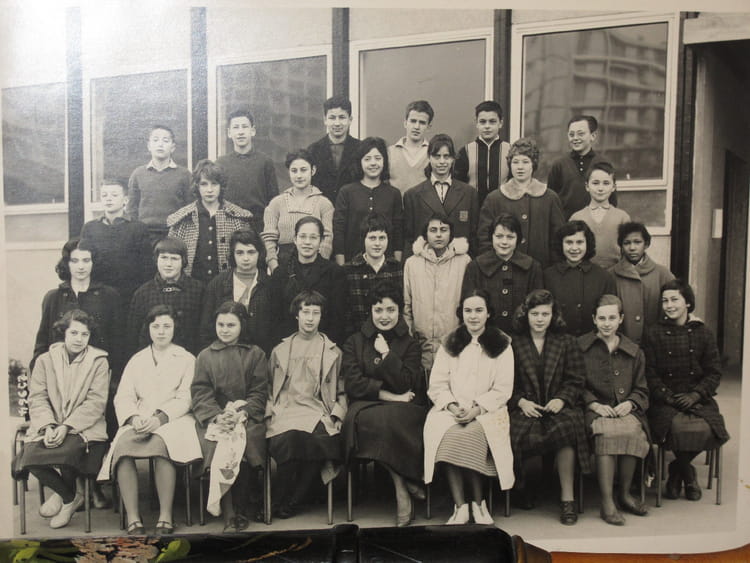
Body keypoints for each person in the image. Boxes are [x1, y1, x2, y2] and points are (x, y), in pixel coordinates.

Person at [97, 305, 201, 536]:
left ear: (175, 329)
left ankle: (165, 514)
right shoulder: (137, 359)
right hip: (140, 418)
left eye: (166, 326)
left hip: (174, 420)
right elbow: (123, 396)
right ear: (148, 329)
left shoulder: (186, 358)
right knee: (123, 450)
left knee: (162, 447)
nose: (161, 331)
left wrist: (160, 418)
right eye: (156, 326)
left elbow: (187, 398)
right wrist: (133, 417)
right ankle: (134, 516)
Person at [423, 289, 514, 525]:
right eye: (468, 311)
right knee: (449, 436)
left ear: (488, 313)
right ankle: (460, 506)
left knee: (471, 436)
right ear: (461, 313)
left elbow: (503, 389)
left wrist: (476, 409)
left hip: (487, 411)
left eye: (479, 310)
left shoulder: (502, 344)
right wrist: (453, 407)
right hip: (450, 411)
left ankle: (479, 503)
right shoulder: (450, 342)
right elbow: (437, 385)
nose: (473, 316)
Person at [342, 283, 426, 526]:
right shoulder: (355, 342)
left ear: (399, 310)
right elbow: (354, 384)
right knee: (376, 422)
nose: (384, 316)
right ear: (370, 311)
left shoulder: (410, 343)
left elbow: (407, 383)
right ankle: (403, 484)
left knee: (391, 421)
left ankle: (403, 484)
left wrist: (387, 355)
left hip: (405, 409)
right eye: (378, 310)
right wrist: (392, 397)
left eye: (391, 310)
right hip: (366, 408)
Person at [16, 310, 109, 530]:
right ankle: (69, 497)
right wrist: (48, 425)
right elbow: (37, 398)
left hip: (83, 426)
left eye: (85, 334)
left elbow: (96, 402)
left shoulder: (98, 361)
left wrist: (67, 426)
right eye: (74, 333)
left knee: (68, 454)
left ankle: (64, 500)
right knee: (29, 459)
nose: (79, 339)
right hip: (49, 423)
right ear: (63, 333)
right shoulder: (45, 360)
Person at [509, 289, 591, 525]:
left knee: (567, 428)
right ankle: (524, 487)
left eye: (545, 314)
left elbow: (576, 379)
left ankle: (568, 498)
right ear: (526, 314)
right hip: (526, 407)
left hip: (557, 406)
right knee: (522, 433)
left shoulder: (566, 342)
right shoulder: (513, 344)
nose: (540, 319)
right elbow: (505, 382)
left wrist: (562, 399)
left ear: (553, 315)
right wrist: (520, 401)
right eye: (534, 314)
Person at [642, 279, 730, 502]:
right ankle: (688, 474)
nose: (669, 305)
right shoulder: (653, 333)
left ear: (688, 303)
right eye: (665, 301)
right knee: (674, 429)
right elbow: (649, 374)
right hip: (665, 400)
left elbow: (714, 372)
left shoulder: (704, 333)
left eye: (675, 300)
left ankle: (677, 469)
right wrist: (667, 396)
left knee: (709, 429)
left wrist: (696, 395)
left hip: (697, 397)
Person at [266, 290, 347, 519]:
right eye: (305, 312)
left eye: (315, 313)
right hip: (286, 409)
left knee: (319, 440)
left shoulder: (332, 351)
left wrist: (338, 415)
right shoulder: (280, 350)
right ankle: (281, 498)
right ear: (297, 315)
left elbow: (341, 389)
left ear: (321, 316)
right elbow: (269, 388)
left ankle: (294, 500)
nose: (310, 318)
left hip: (318, 410)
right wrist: (268, 414)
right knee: (288, 438)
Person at [191, 301, 268, 532]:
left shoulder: (256, 354)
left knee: (243, 444)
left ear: (242, 325)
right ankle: (229, 513)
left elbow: (259, 391)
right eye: (221, 324)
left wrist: (243, 413)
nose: (225, 330)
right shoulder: (205, 356)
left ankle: (241, 509)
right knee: (219, 443)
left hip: (247, 416)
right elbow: (201, 392)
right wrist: (217, 416)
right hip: (215, 417)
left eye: (231, 325)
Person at [579, 295, 650, 526]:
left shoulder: (634, 351)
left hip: (625, 409)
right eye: (602, 318)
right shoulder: (581, 348)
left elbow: (642, 388)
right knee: (606, 434)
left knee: (632, 432)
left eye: (612, 318)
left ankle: (625, 493)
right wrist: (593, 404)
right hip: (594, 410)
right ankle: (607, 501)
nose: (607, 323)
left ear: (621, 319)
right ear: (594, 319)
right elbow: (574, 384)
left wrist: (630, 403)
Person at [476, 137, 565, 267]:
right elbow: (484, 240)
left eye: (525, 162)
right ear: (510, 164)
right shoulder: (494, 199)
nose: (520, 167)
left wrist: (553, 271)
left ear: (533, 164)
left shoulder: (550, 198)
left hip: (542, 270)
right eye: (515, 162)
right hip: (503, 270)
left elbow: (558, 239)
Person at [403, 214, 471, 372]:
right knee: (423, 382)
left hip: (453, 344)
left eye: (443, 230)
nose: (439, 235)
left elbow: (469, 303)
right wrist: (410, 336)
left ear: (451, 233)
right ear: (426, 234)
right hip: (421, 345)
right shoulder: (412, 263)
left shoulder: (464, 261)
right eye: (433, 230)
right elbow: (407, 305)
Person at [167, 159, 254, 282]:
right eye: (204, 184)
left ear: (221, 186)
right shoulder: (182, 219)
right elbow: (171, 256)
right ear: (197, 186)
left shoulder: (238, 218)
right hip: (192, 285)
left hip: (227, 285)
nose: (209, 190)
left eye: (214, 184)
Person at [269, 217, 348, 345]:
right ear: (295, 239)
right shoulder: (281, 273)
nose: (307, 242)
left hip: (323, 344)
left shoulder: (334, 273)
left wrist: (326, 346)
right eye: (303, 236)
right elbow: (275, 316)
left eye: (313, 237)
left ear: (321, 241)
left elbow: (338, 318)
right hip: (288, 344)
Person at [462, 213, 543, 334]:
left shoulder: (532, 267)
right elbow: (468, 306)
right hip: (485, 335)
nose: (504, 242)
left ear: (518, 239)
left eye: (510, 237)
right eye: (499, 236)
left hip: (522, 336)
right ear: (491, 237)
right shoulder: (475, 267)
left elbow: (538, 306)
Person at [80, 179, 153, 310]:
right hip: (99, 296)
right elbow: (83, 263)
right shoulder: (90, 228)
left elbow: (146, 268)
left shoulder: (138, 228)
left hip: (129, 296)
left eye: (114, 195)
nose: (109, 199)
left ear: (125, 200)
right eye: (104, 195)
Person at [402, 134, 478, 258]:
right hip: (425, 262)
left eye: (446, 156)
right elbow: (409, 239)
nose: (442, 161)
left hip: (459, 263)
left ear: (453, 158)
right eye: (437, 156)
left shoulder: (469, 194)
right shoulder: (412, 195)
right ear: (429, 157)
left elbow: (474, 238)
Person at [199, 228, 274, 353]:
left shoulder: (270, 285)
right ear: (232, 254)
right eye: (240, 253)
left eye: (251, 252)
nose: (246, 258)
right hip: (224, 354)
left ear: (259, 253)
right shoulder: (218, 284)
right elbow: (206, 328)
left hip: (261, 354)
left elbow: (276, 327)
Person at [127, 237, 204, 356]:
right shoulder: (142, 293)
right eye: (164, 258)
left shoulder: (198, 290)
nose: (168, 264)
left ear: (183, 261)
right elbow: (133, 336)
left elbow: (203, 333)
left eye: (174, 259)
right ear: (156, 260)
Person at [334, 137, 404, 264]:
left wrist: (396, 265)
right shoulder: (346, 192)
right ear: (360, 162)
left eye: (378, 158)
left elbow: (398, 232)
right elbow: (339, 231)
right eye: (367, 159)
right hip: (352, 263)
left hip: (385, 265)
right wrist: (341, 267)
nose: (373, 163)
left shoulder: (393, 194)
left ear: (384, 161)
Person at [262, 149, 334, 270]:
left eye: (303, 170)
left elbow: (326, 240)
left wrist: (318, 270)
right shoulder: (276, 203)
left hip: (314, 265)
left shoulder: (324, 204)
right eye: (294, 171)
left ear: (313, 170)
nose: (299, 176)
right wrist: (275, 268)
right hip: (282, 266)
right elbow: (269, 240)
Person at [543, 221, 617, 336]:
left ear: (588, 244)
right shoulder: (548, 276)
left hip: (593, 341)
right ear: (560, 244)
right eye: (569, 242)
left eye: (579, 242)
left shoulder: (603, 277)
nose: (574, 248)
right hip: (557, 341)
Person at [215, 108, 279, 234]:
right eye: (236, 127)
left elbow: (273, 200)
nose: (240, 132)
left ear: (252, 131)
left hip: (258, 225)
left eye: (244, 127)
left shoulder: (265, 162)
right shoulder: (221, 163)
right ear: (229, 133)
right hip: (229, 224)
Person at [609, 222, 675, 344]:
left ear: (646, 244)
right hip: (622, 344)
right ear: (621, 246)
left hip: (656, 343)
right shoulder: (611, 275)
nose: (632, 248)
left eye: (637, 242)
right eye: (627, 243)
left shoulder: (662, 274)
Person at [125, 125, 191, 241]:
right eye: (155, 140)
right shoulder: (138, 174)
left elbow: (190, 207)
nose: (160, 144)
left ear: (173, 147)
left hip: (175, 234)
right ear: (149, 146)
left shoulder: (184, 174)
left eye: (165, 141)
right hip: (144, 234)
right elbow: (131, 209)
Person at [343, 213, 403, 336]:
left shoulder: (397, 269)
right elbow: (346, 312)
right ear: (363, 239)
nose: (377, 243)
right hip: (357, 338)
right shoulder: (348, 270)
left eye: (382, 238)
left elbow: (401, 309)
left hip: (392, 337)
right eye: (372, 238)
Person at [547, 115, 613, 219]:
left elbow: (612, 201)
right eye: (571, 134)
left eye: (580, 134)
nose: (575, 138)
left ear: (593, 136)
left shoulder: (604, 164)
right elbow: (551, 201)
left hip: (596, 223)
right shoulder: (559, 165)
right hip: (566, 225)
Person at [569, 161, 630, 269]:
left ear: (613, 187)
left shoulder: (622, 217)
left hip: (615, 274)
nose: (600, 188)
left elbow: (628, 251)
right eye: (595, 183)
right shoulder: (577, 217)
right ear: (587, 186)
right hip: (584, 273)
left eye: (606, 183)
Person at [454, 100, 511, 207]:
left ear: (501, 123)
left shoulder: (510, 151)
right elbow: (458, 186)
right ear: (476, 123)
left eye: (492, 121)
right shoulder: (465, 151)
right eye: (483, 122)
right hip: (473, 209)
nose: (487, 126)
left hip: (502, 209)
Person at [306, 95, 361, 205]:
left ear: (350, 120)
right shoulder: (313, 150)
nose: (337, 123)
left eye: (342, 117)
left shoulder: (361, 148)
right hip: (321, 209)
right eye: (332, 118)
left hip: (353, 209)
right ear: (325, 120)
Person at [387, 100, 434, 195]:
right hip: (396, 204)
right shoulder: (389, 152)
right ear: (405, 123)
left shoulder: (433, 154)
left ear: (428, 127)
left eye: (422, 123)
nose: (416, 127)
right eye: (413, 121)